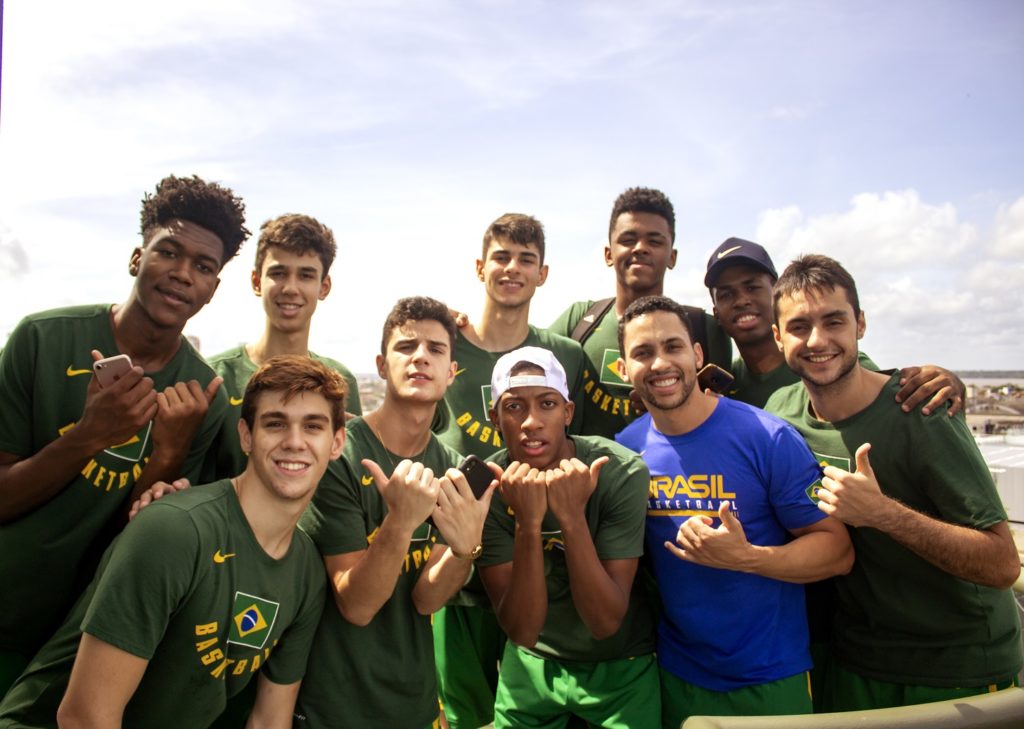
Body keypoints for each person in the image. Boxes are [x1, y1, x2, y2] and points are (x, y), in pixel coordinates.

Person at [0, 355, 345, 728]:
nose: (294, 442)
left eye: (313, 426)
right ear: (245, 436)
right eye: (275, 424)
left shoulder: (307, 570)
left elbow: (269, 720)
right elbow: (84, 717)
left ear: (337, 442)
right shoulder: (174, 530)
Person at [0, 174, 245, 694]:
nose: (182, 274)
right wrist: (89, 435)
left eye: (203, 267)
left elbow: (139, 542)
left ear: (213, 288)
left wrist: (171, 452)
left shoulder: (204, 394)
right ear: (138, 258)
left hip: (82, 641)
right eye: (168, 253)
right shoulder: (41, 339)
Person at [766, 254, 1022, 711]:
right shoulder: (780, 414)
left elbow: (1003, 564)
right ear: (778, 337)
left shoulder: (918, 411)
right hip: (854, 662)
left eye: (834, 321)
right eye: (799, 326)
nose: (818, 339)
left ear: (860, 325)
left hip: (955, 669)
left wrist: (884, 515)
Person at [614, 296, 853, 726]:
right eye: (643, 353)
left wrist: (748, 558)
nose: (661, 363)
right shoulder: (627, 451)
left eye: (673, 347)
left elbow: (837, 550)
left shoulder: (767, 437)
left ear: (697, 354)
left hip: (770, 677)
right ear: (623, 369)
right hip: (676, 675)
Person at [295, 297, 495, 729]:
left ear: (452, 372)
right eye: (406, 347)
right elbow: (357, 605)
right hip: (335, 705)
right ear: (382, 365)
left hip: (415, 701)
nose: (421, 356)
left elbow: (426, 599)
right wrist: (401, 522)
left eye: (436, 350)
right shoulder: (340, 455)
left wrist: (463, 552)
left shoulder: (451, 466)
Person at [432, 213, 586, 729]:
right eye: (501, 256)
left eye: (526, 259)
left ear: (543, 274)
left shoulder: (564, 354)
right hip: (458, 568)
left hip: (540, 569)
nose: (512, 268)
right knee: (466, 714)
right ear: (480, 267)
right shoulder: (444, 345)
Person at [477, 346, 659, 728]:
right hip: (533, 662)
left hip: (619, 663)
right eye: (513, 407)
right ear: (494, 418)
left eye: (546, 404)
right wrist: (528, 523)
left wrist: (572, 517)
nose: (531, 422)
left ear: (568, 412)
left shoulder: (619, 472)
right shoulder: (487, 490)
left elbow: (604, 621)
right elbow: (523, 630)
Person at [704, 236, 966, 413]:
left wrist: (947, 382)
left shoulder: (828, 361)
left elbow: (897, 402)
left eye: (752, 287)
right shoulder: (727, 380)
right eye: (726, 294)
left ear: (777, 296)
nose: (741, 300)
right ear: (716, 313)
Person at [550, 187, 732, 439]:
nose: (640, 248)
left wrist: (675, 397)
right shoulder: (580, 320)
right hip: (591, 476)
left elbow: (727, 412)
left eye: (654, 241)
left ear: (672, 256)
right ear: (608, 254)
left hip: (679, 475)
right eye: (628, 240)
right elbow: (520, 357)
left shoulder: (704, 328)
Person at [205, 213, 362, 480]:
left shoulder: (340, 381)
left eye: (305, 275)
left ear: (324, 287)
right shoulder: (215, 376)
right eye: (278, 273)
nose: (290, 288)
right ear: (257, 282)